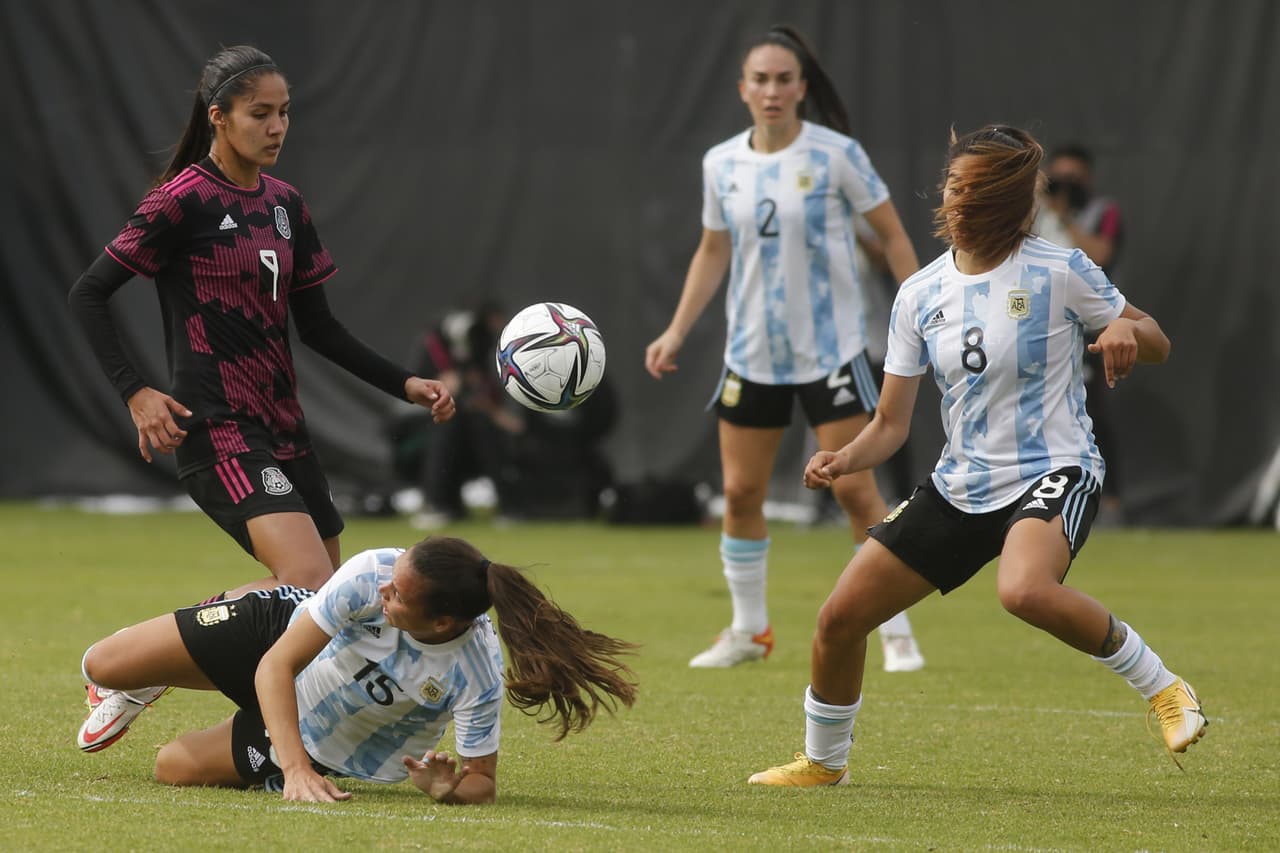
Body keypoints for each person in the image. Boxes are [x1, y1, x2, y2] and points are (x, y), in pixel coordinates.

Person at [748, 125, 1205, 788]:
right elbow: (889, 424)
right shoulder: (921, 293)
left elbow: (1156, 337)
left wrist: (1125, 328)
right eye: (953, 185)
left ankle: (1166, 689)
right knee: (838, 620)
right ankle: (825, 763)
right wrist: (844, 457)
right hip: (961, 486)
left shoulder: (1059, 269)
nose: (956, 199)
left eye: (974, 190)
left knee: (1023, 589)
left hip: (1056, 468)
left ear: (1010, 204)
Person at [67, 46, 455, 593]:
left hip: (286, 429)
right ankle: (127, 666)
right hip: (219, 427)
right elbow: (88, 294)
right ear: (218, 117)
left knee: (326, 598)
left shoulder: (286, 205)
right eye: (260, 114)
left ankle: (192, 668)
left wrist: (405, 383)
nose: (277, 127)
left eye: (284, 112)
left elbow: (320, 329)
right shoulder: (182, 201)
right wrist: (136, 393)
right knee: (308, 580)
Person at [644, 25, 925, 671]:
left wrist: (921, 311)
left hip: (829, 351)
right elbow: (714, 249)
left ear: (802, 88)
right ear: (743, 89)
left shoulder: (837, 156)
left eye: (783, 79)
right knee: (741, 493)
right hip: (752, 355)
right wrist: (676, 330)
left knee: (856, 492)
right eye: (760, 80)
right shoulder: (722, 162)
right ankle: (750, 630)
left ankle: (895, 629)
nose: (772, 91)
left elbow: (893, 236)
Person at [75, 535, 638, 804]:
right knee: (104, 663)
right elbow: (278, 663)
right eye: (394, 574)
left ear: (441, 623)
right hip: (278, 637)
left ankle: (264, 742)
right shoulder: (374, 571)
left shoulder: (476, 672)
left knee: (170, 766)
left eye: (400, 594)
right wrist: (293, 770)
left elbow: (483, 783)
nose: (385, 587)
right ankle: (160, 667)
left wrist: (447, 789)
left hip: (326, 732)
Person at [390, 303, 618, 524]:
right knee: (454, 427)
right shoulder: (466, 355)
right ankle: (440, 503)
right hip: (443, 433)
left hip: (508, 438)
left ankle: (507, 506)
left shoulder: (495, 366)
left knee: (482, 429)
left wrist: (494, 413)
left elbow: (508, 418)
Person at [1037, 144, 1126, 520]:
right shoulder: (1035, 212)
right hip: (1038, 325)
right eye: (1061, 179)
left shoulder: (1101, 212)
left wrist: (1065, 217)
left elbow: (1101, 254)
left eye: (1075, 180)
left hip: (1091, 325)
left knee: (1091, 412)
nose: (1067, 187)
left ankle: (1109, 501)